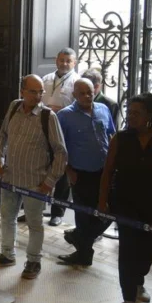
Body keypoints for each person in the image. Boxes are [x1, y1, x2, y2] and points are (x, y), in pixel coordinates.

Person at [99, 93, 152, 303]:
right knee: (127, 248)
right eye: (130, 112)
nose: (131, 116)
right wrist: (102, 201)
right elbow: (107, 172)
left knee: (145, 248)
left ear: (149, 116)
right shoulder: (120, 139)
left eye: (137, 113)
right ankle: (127, 297)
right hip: (124, 202)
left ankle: (139, 282)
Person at [0, 74, 68, 280]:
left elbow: (61, 152)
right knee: (7, 217)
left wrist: (49, 181)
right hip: (10, 178)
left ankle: (34, 261)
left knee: (35, 224)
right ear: (22, 92)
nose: (38, 96)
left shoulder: (48, 117)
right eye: (33, 91)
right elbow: (3, 135)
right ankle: (7, 254)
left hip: (35, 183)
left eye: (41, 91)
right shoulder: (14, 108)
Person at [56, 78, 116, 266]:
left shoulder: (103, 109)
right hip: (80, 173)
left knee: (109, 211)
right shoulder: (64, 116)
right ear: (74, 95)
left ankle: (80, 237)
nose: (87, 96)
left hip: (105, 172)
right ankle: (84, 254)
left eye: (89, 92)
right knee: (83, 215)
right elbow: (59, 146)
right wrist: (68, 170)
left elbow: (111, 136)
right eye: (82, 93)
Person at [39, 47, 78, 225]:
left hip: (65, 132)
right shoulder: (46, 79)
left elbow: (78, 109)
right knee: (40, 168)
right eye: (61, 60)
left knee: (61, 172)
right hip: (43, 130)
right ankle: (36, 208)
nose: (64, 64)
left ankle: (58, 213)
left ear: (74, 63)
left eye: (68, 61)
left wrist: (59, 111)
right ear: (56, 60)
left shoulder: (78, 82)